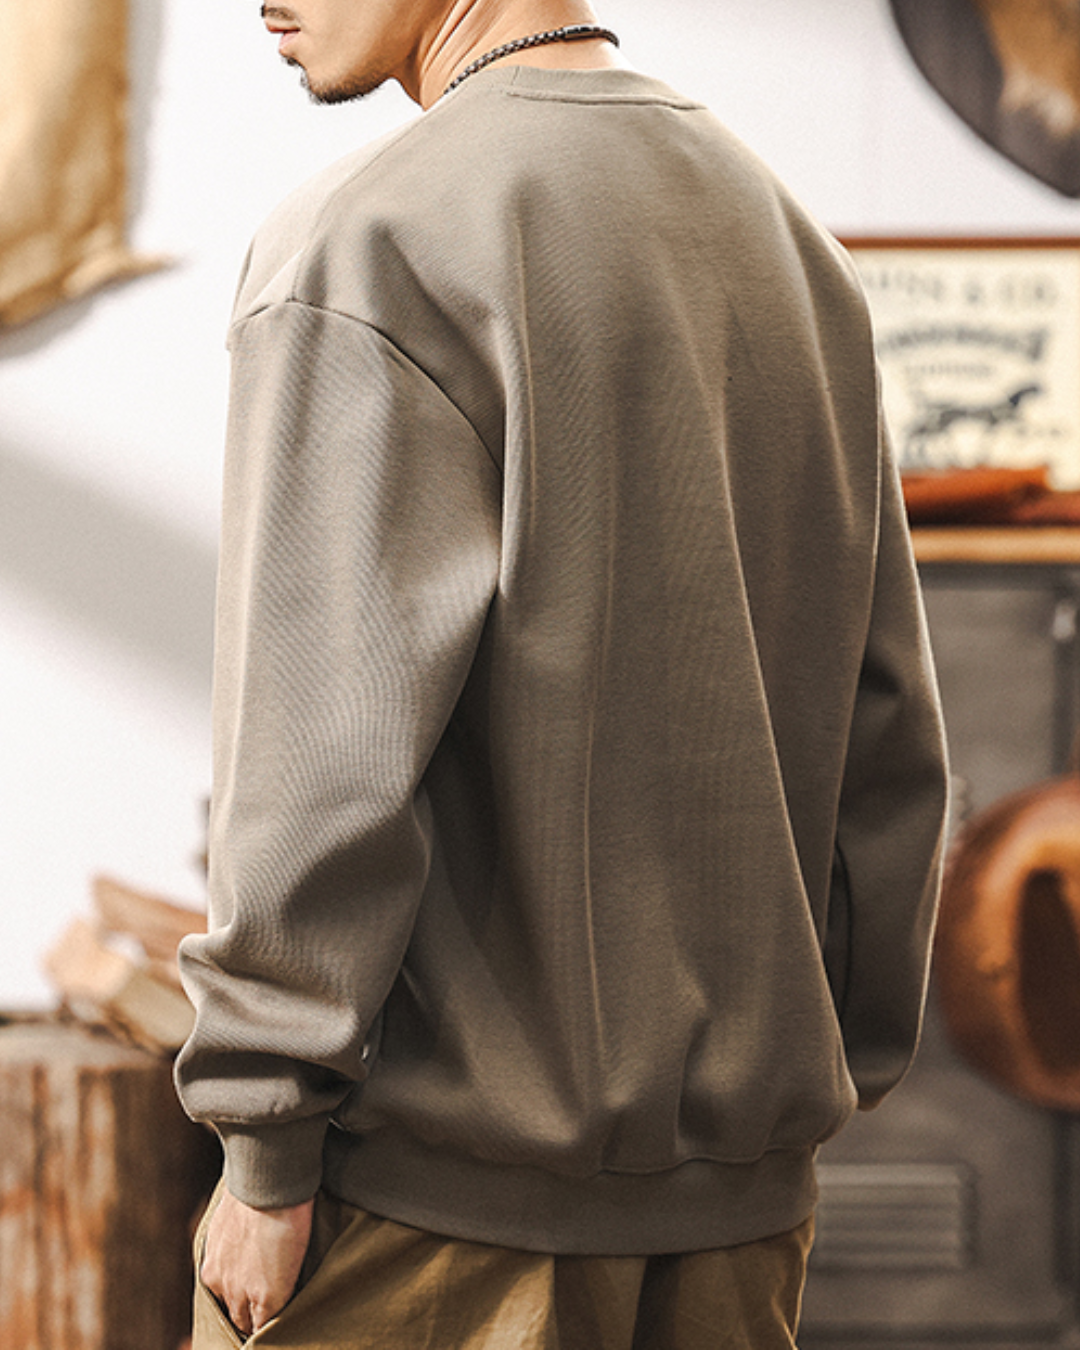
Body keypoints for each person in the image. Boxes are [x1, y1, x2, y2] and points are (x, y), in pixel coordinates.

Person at [174, 1, 950, 1345]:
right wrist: (798, 1091)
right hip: (739, 1223)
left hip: (434, 1227)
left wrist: (264, 1136)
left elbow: (322, 759)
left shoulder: (371, 245)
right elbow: (890, 737)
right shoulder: (786, 241)